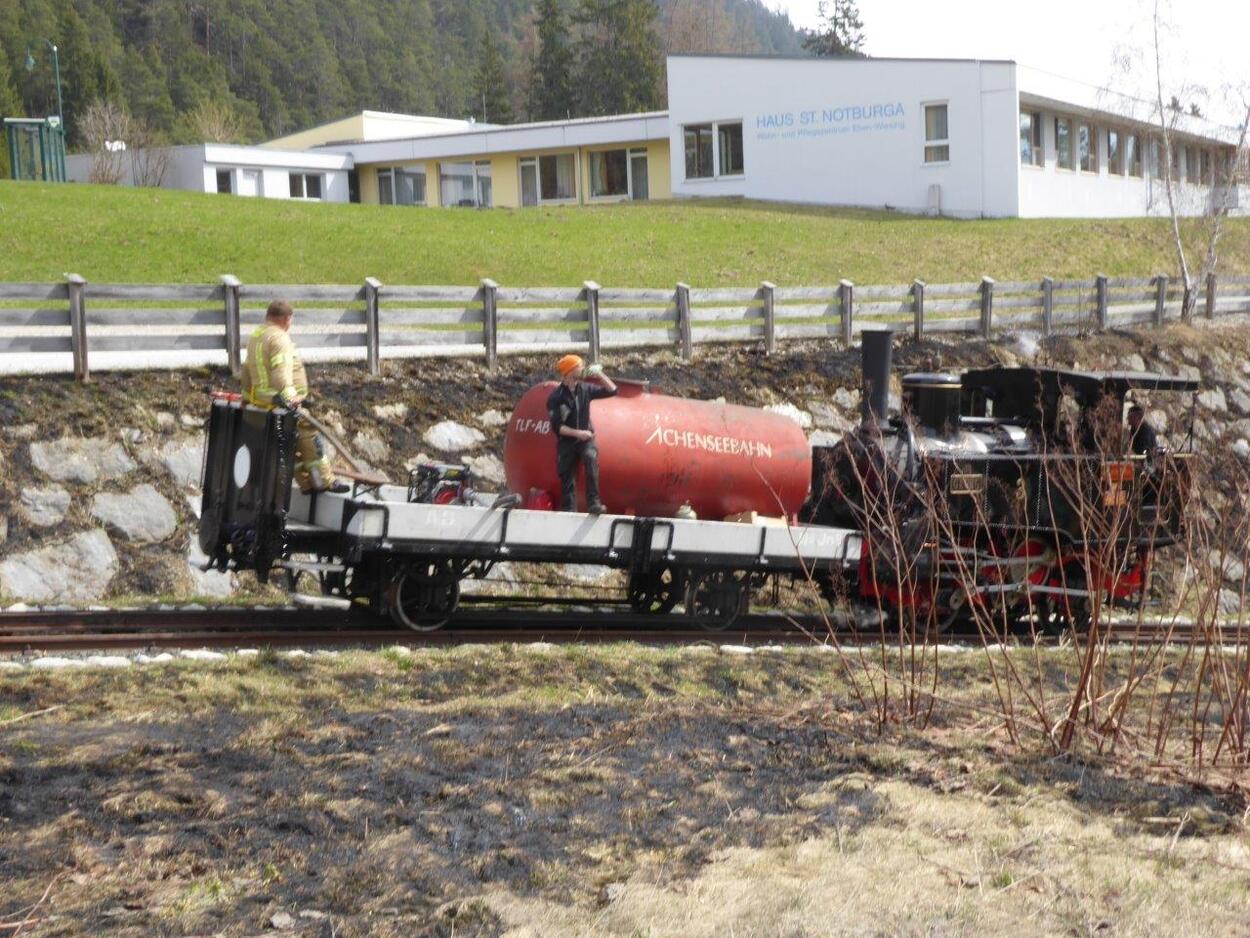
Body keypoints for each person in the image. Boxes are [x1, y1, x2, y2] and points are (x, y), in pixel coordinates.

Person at [242, 299, 349, 494]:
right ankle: (323, 481)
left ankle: (307, 484)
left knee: (289, 445)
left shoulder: (256, 336)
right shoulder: (279, 338)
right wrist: (291, 399)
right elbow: (281, 373)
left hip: (263, 402)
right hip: (280, 402)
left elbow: (247, 369)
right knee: (308, 437)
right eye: (290, 320)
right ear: (286, 319)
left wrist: (247, 397)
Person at [547, 354, 617, 513]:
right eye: (579, 366)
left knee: (591, 458)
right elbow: (558, 427)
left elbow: (612, 391)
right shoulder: (556, 397)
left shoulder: (585, 389)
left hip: (586, 440)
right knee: (567, 475)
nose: (582, 369)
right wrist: (578, 433)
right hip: (567, 441)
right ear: (569, 371)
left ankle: (594, 503)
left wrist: (600, 374)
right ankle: (569, 509)